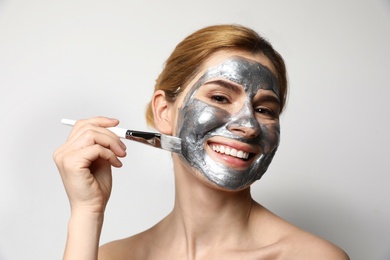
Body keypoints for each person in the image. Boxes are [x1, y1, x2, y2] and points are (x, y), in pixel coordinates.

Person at [54, 24, 349, 259]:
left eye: (264, 109)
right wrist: (87, 213)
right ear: (164, 112)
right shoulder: (111, 257)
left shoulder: (311, 256)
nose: (248, 125)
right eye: (219, 97)